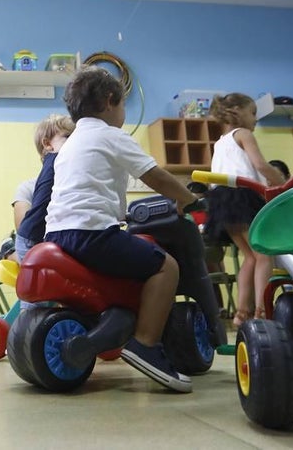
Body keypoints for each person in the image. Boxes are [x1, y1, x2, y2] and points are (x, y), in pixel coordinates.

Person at [44, 66, 198, 393]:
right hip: (92, 232)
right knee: (166, 267)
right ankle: (144, 343)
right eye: (124, 105)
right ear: (111, 101)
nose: (124, 114)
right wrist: (187, 198)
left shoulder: (70, 144)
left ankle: (116, 324)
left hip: (58, 233)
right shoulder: (111, 135)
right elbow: (154, 176)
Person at [205, 93, 286, 328]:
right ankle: (262, 310)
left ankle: (241, 314)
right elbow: (260, 165)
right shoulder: (243, 134)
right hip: (241, 195)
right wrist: (279, 180)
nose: (255, 120)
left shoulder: (220, 141)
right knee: (264, 254)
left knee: (249, 257)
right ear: (238, 112)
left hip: (220, 201)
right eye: (253, 113)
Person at [14, 113, 76, 265]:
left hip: (40, 236)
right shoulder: (58, 159)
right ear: (48, 144)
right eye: (68, 137)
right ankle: (7, 249)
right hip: (31, 240)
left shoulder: (62, 163)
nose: (75, 142)